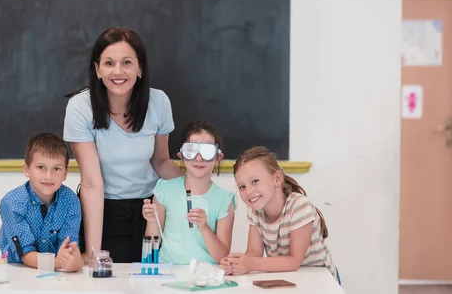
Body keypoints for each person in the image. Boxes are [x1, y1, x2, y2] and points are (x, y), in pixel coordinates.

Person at [63, 27, 182, 263]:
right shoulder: (80, 107)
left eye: (127, 62)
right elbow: (91, 182)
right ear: (97, 70)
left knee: (155, 281)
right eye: (109, 63)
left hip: (151, 210)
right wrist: (94, 252)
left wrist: (191, 193)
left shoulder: (159, 102)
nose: (118, 71)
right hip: (103, 213)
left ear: (140, 68)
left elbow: (161, 161)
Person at [219, 146, 340, 285]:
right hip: (289, 278)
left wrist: (251, 263)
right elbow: (253, 253)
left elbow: (294, 261)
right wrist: (235, 263)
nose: (249, 192)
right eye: (242, 186)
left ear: (277, 179)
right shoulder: (255, 211)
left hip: (321, 280)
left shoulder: (299, 206)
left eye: (255, 181)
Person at [142, 120, 236, 265]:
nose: (199, 158)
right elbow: (152, 243)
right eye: (191, 151)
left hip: (205, 276)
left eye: (207, 152)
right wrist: (151, 220)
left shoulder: (224, 200)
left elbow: (221, 257)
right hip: (168, 272)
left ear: (218, 157)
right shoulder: (164, 191)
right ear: (181, 155)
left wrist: (204, 228)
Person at [0, 133, 83, 272]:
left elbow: (68, 249)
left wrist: (72, 260)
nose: (48, 176)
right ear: (27, 169)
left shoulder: (71, 202)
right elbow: (26, 255)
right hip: (13, 271)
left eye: (56, 168)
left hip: (53, 273)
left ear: (65, 173)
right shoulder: (12, 202)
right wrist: (56, 263)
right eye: (41, 167)